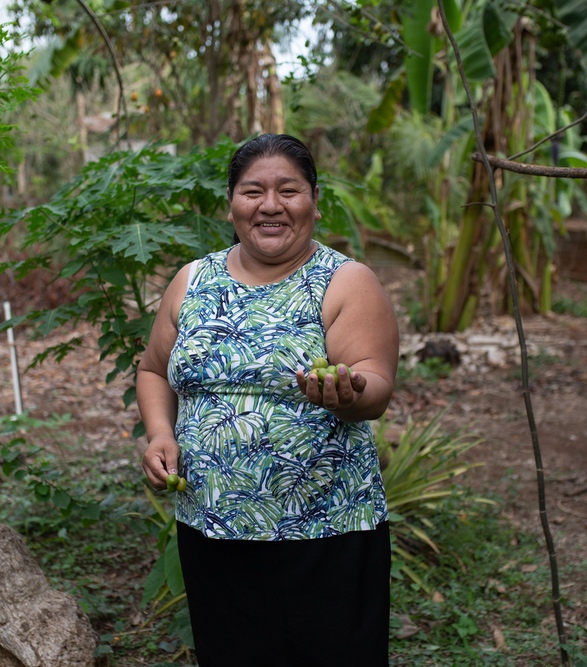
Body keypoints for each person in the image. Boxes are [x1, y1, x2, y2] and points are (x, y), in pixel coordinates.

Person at [136, 133, 399, 667]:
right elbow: (154, 369)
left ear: (314, 202)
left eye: (289, 190)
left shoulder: (345, 282)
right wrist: (161, 433)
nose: (271, 206)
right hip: (212, 529)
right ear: (231, 202)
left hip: (324, 533)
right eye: (253, 191)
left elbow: (374, 387)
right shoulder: (191, 280)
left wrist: (345, 392)